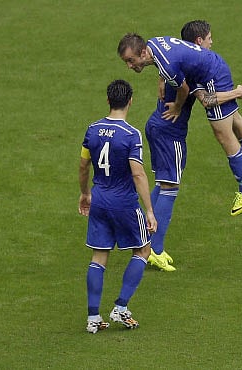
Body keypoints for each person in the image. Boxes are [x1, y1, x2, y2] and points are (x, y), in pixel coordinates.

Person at [117, 29, 242, 216]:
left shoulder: (167, 66)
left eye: (130, 60)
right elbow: (170, 59)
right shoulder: (153, 44)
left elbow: (183, 89)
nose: (129, 66)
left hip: (211, 77)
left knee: (223, 134)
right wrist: (162, 78)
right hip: (207, 68)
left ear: (143, 53)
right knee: (235, 119)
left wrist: (176, 107)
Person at [146, 23, 242, 271]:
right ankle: (153, 250)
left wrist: (161, 79)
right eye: (209, 39)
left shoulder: (173, 63)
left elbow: (165, 66)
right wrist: (237, 92)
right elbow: (206, 99)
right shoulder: (191, 73)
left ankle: (143, 240)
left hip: (156, 127)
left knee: (161, 185)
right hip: (170, 133)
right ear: (198, 42)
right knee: (169, 188)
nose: (211, 44)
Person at [79, 79, 157, 333]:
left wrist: (84, 193)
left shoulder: (92, 130)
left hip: (99, 199)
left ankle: (93, 318)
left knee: (99, 256)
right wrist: (149, 210)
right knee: (143, 251)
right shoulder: (131, 135)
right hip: (123, 202)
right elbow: (138, 174)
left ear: (108, 100)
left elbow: (83, 166)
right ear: (130, 101)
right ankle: (121, 307)